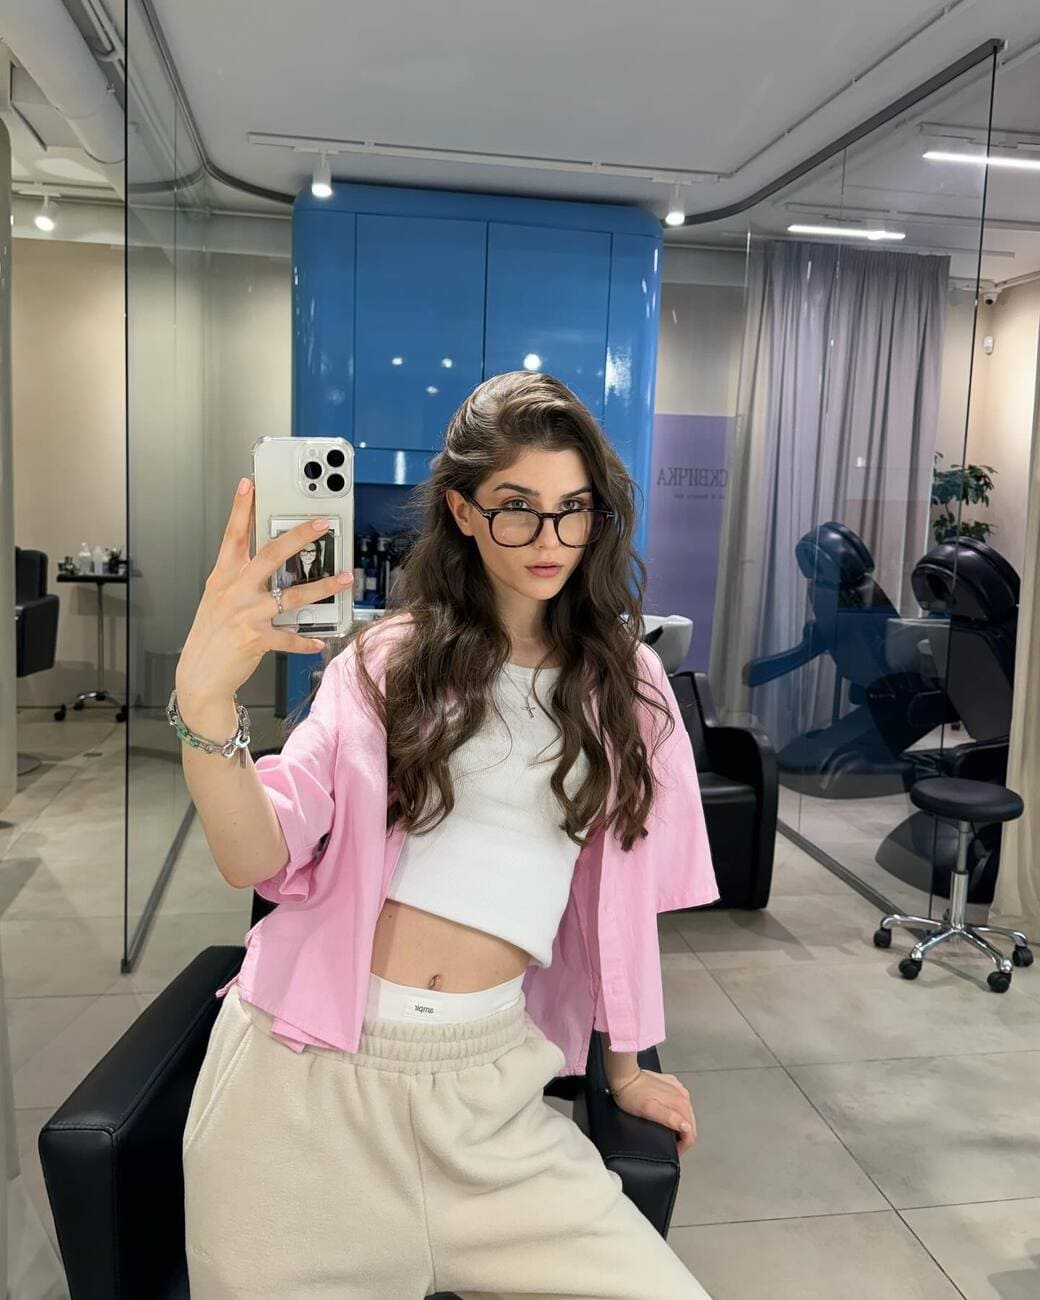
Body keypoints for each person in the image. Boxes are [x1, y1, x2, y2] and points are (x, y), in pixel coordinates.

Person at [172, 370, 719, 1300]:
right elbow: (255, 855)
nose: (549, 540)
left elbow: (619, 905)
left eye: (573, 511)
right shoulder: (387, 660)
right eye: (517, 508)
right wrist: (204, 699)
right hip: (302, 1095)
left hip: (490, 1096)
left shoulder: (627, 685)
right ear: (463, 512)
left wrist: (625, 1067)